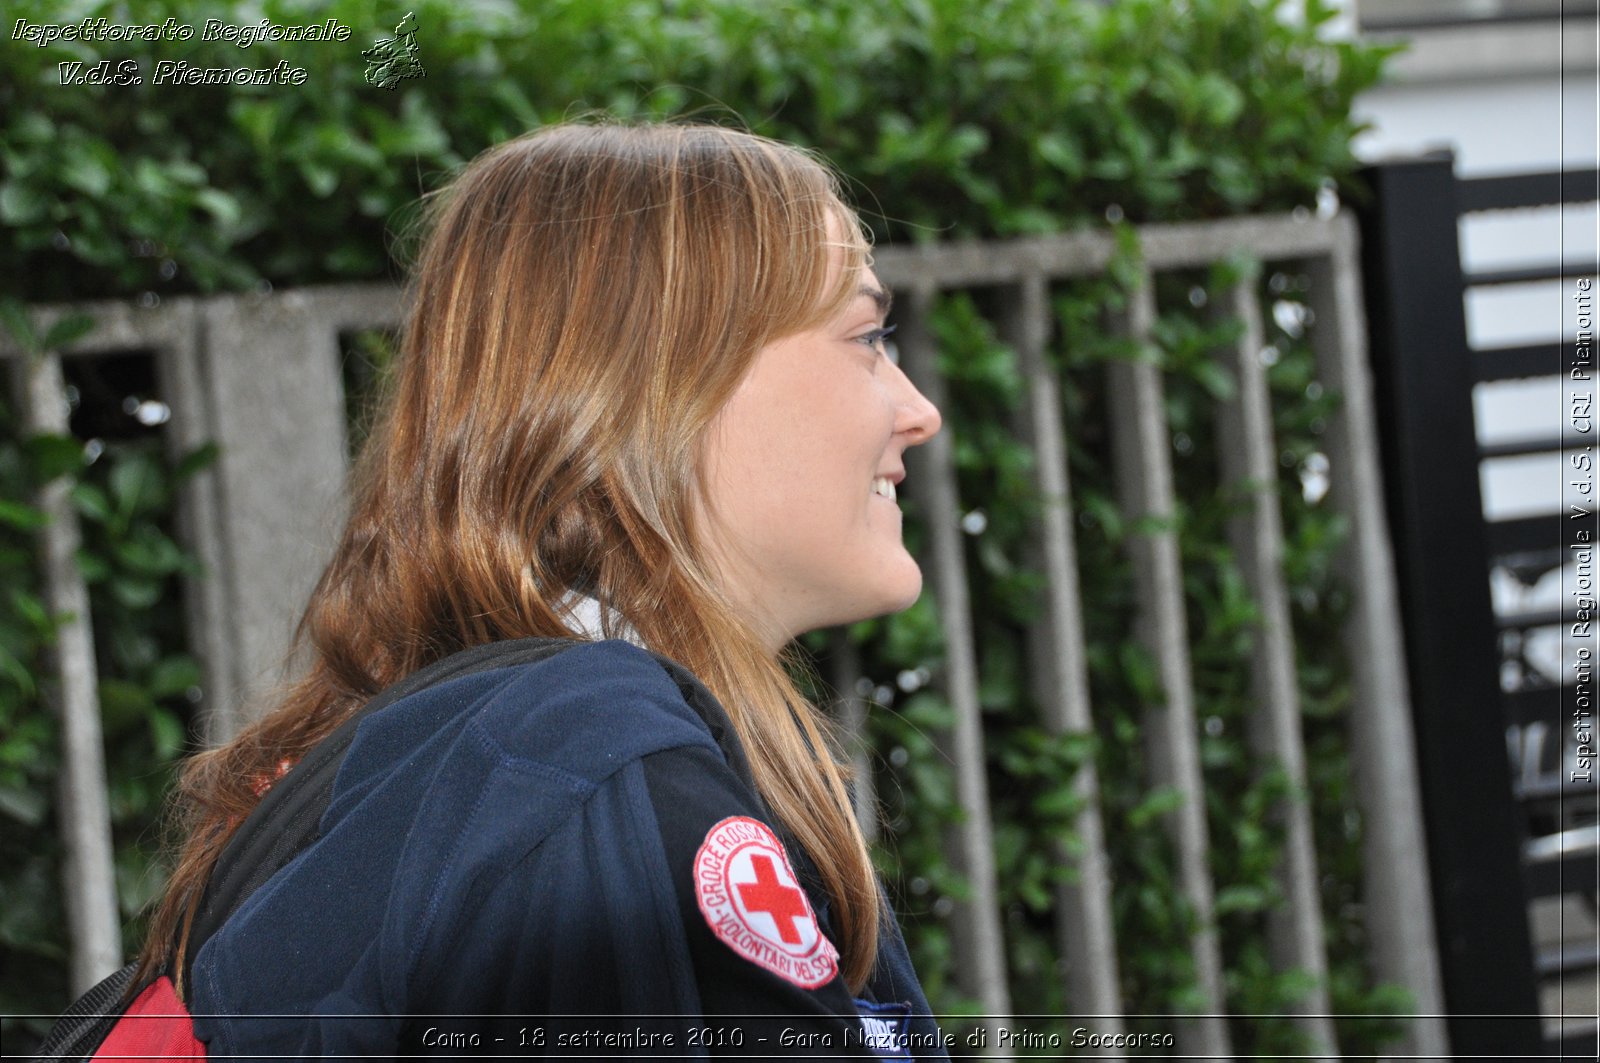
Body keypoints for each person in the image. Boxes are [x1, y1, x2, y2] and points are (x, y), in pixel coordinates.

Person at [132, 121, 947, 1059]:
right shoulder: (604, 800)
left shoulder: (503, 767)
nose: (918, 410)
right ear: (665, 379)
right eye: (867, 337)